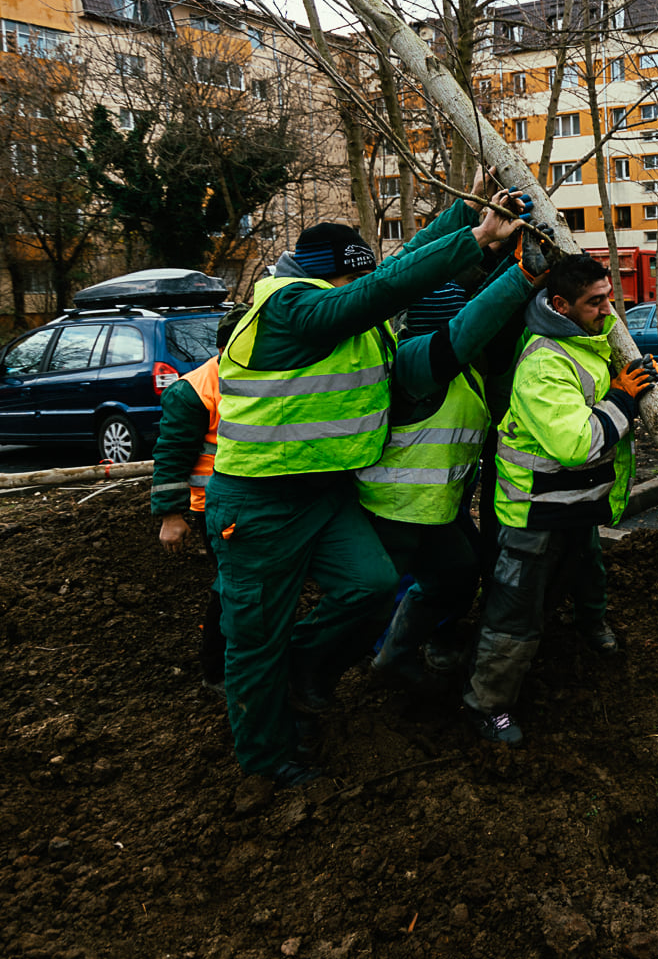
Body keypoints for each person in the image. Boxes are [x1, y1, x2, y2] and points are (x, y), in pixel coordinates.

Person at [209, 195, 521, 785]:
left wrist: (465, 213)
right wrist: (475, 243)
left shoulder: (342, 297)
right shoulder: (288, 307)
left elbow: (389, 273)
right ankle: (267, 758)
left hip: (324, 495)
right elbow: (379, 291)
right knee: (255, 640)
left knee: (373, 585)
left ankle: (302, 666)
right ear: (324, 273)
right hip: (257, 501)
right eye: (351, 274)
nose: (361, 283)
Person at [467, 254, 655, 747]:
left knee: (570, 582)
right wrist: (621, 400)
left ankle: (565, 649)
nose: (608, 311)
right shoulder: (545, 362)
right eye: (596, 302)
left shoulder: (586, 341)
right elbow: (574, 444)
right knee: (515, 611)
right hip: (535, 511)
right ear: (560, 304)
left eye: (609, 298)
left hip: (572, 506)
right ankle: (487, 707)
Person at [361, 251, 540, 692]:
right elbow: (465, 327)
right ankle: (355, 666)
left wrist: (509, 258)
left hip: (436, 510)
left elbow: (477, 315)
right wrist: (523, 273)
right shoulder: (414, 364)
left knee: (459, 574)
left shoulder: (466, 372)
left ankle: (396, 654)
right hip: (391, 511)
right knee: (376, 594)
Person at [150, 308, 240, 689]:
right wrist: (171, 516)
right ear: (225, 347)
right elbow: (170, 455)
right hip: (214, 509)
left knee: (236, 585)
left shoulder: (250, 377)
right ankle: (216, 672)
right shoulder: (196, 389)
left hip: (239, 503)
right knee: (230, 587)